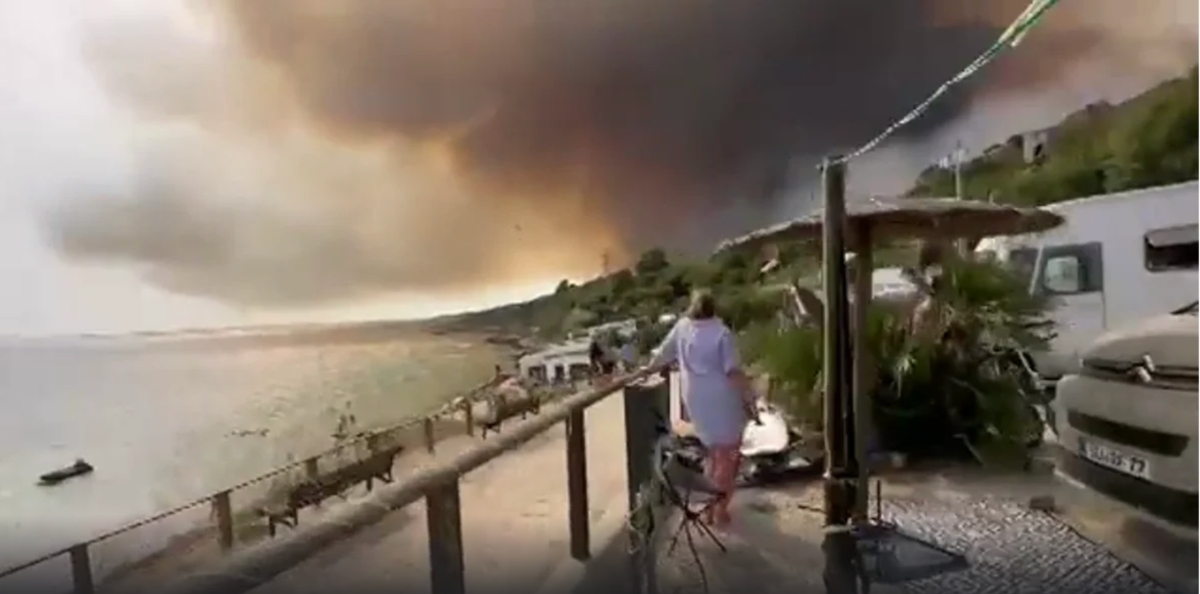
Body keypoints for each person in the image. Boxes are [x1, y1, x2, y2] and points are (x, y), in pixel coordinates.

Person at [647, 290, 758, 528]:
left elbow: (661, 356)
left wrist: (644, 370)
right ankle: (719, 511)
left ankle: (709, 508)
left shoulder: (682, 328)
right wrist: (750, 398)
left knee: (712, 453)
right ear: (714, 309)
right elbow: (733, 372)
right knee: (728, 458)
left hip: (695, 401)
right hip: (723, 401)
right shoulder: (722, 333)